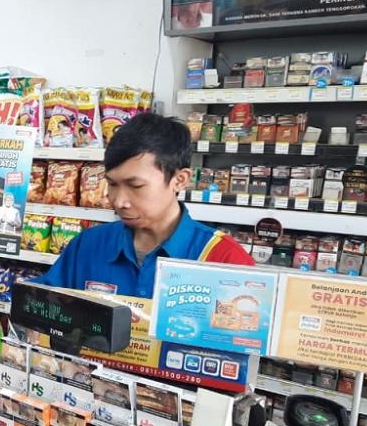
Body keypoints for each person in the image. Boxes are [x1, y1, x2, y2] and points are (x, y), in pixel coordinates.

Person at [37, 113, 253, 297]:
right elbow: (42, 307)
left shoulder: (225, 260)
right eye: (112, 184)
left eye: (136, 186)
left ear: (179, 180)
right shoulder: (87, 245)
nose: (119, 201)